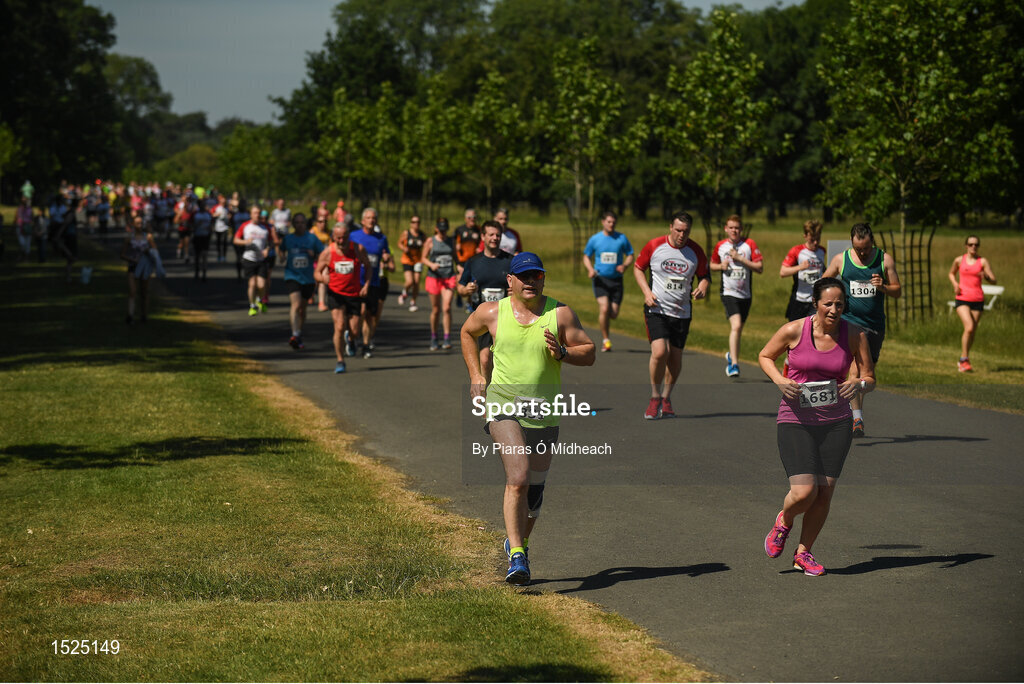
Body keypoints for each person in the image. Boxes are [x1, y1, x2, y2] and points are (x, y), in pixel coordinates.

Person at [460, 252, 595, 585]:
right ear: (510, 281)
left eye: (536, 275)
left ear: (544, 279)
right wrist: (476, 375)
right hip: (503, 405)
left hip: (543, 412)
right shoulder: (492, 312)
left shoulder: (560, 314)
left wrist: (563, 353)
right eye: (524, 276)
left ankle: (517, 540)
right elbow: (466, 333)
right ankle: (518, 557)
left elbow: (589, 351)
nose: (531, 281)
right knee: (517, 478)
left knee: (533, 493)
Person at [758, 277, 875, 576]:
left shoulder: (855, 335)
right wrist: (780, 380)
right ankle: (784, 521)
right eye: (828, 304)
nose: (834, 310)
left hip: (836, 422)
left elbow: (869, 377)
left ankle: (803, 553)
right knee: (804, 492)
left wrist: (857, 383)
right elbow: (765, 356)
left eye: (839, 304)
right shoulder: (794, 330)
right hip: (796, 420)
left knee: (824, 493)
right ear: (815, 304)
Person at [822, 223, 901, 437]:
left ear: (872, 242)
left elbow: (898, 291)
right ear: (852, 243)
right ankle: (855, 418)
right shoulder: (841, 259)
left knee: (866, 374)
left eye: (866, 248)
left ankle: (851, 410)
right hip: (850, 321)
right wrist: (833, 296)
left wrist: (883, 287)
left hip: (874, 325)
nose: (862, 252)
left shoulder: (885, 260)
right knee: (854, 370)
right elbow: (824, 282)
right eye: (858, 248)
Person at [633, 211, 710, 420]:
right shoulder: (655, 246)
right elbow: (638, 268)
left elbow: (705, 276)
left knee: (675, 359)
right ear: (670, 227)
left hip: (682, 312)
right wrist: (646, 293)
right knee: (660, 352)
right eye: (678, 230)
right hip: (657, 308)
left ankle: (666, 398)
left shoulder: (696, 251)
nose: (682, 235)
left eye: (686, 231)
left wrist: (702, 288)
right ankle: (654, 396)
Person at [458, 220, 512, 380]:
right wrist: (466, 290)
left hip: (506, 317)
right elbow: (460, 288)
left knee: (506, 361)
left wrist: (514, 293)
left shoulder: (509, 261)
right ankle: (485, 396)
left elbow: (522, 287)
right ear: (483, 237)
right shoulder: (474, 262)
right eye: (491, 235)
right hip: (482, 318)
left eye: (498, 235)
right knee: (485, 358)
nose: (495, 238)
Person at [710, 214, 763, 377]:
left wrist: (740, 258)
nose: (734, 231)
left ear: (741, 229)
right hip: (728, 292)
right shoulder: (720, 246)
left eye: (737, 228)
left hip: (745, 294)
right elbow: (711, 265)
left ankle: (730, 355)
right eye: (731, 228)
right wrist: (721, 266)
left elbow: (760, 267)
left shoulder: (749, 244)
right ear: (726, 229)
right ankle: (734, 364)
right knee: (737, 325)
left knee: (738, 329)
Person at [316, 221, 371, 373]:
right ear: (333, 236)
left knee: (354, 330)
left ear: (349, 236)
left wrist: (366, 285)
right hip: (336, 293)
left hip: (354, 294)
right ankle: (340, 360)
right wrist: (323, 279)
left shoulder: (358, 249)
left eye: (344, 237)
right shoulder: (328, 253)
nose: (341, 241)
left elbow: (368, 266)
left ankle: (351, 339)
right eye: (338, 238)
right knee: (339, 326)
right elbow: (316, 273)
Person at [582, 210, 634, 352]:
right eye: (609, 222)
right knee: (604, 308)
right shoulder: (595, 239)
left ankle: (607, 334)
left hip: (616, 281)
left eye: (614, 222)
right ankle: (606, 340)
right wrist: (590, 269)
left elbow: (630, 255)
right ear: (603, 222)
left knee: (613, 314)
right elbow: (586, 256)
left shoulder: (621, 238)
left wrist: (624, 265)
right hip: (600, 279)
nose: (611, 224)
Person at [348, 207, 394, 357]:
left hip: (373, 281)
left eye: (374, 218)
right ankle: (352, 337)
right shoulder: (353, 236)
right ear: (362, 221)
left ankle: (366, 344)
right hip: (356, 281)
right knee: (358, 313)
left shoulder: (382, 238)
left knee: (369, 315)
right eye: (368, 218)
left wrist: (387, 259)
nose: (372, 220)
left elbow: (386, 255)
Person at [948, 235, 997, 372]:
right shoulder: (959, 260)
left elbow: (994, 280)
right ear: (966, 246)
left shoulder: (982, 262)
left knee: (972, 331)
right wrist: (955, 284)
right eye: (970, 244)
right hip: (962, 298)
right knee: (969, 327)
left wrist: (985, 276)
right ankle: (964, 359)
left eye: (976, 244)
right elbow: (951, 273)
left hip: (977, 300)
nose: (973, 247)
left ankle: (964, 359)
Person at [282, 213, 324, 350]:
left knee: (303, 310)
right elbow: (281, 250)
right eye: (297, 222)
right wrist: (280, 255)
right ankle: (294, 334)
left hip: (308, 278)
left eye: (302, 222)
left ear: (306, 224)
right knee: (296, 304)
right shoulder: (288, 239)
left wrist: (315, 255)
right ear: (293, 224)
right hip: (292, 276)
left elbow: (323, 254)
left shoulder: (312, 238)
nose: (300, 225)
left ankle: (298, 333)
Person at [422, 218, 459, 350]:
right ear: (437, 228)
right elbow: (423, 258)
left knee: (447, 307)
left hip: (449, 276)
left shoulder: (451, 241)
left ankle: (447, 337)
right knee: (436, 309)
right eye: (441, 229)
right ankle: (434, 336)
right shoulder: (430, 241)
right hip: (434, 278)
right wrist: (431, 264)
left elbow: (455, 257)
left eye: (445, 230)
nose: (443, 232)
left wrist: (459, 266)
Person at [780, 220, 826, 321]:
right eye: (812, 240)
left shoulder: (822, 251)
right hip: (799, 298)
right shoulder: (797, 251)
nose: (815, 243)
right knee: (796, 331)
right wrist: (800, 267)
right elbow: (783, 272)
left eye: (818, 239)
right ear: (805, 236)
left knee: (813, 329)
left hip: (815, 300)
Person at [120, 214, 158, 324]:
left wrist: (149, 252)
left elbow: (155, 249)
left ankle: (144, 315)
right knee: (132, 291)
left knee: (144, 292)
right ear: (133, 224)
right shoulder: (129, 238)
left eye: (141, 223)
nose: (140, 225)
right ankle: (130, 315)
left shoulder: (148, 237)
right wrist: (132, 259)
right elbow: (122, 254)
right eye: (137, 223)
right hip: (133, 266)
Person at [234, 205, 270, 316]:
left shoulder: (265, 228)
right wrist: (245, 242)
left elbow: (271, 242)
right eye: (255, 213)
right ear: (251, 214)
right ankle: (252, 305)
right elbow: (235, 240)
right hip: (249, 258)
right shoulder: (245, 226)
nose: (257, 215)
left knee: (262, 285)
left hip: (261, 259)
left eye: (259, 213)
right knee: (252, 283)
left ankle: (259, 300)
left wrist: (267, 249)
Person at [397, 215, 426, 311]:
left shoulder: (422, 235)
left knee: (416, 282)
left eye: (418, 222)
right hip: (407, 260)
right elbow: (399, 243)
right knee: (410, 281)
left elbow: (427, 245)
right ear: (411, 223)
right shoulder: (406, 233)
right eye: (414, 222)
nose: (416, 224)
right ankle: (404, 292)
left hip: (418, 260)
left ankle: (413, 302)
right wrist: (403, 248)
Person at [455, 208, 481, 311]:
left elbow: (481, 243)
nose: (472, 219)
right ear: (466, 218)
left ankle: (469, 303)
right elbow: (455, 247)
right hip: (462, 261)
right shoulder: (460, 230)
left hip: (473, 261)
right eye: (470, 217)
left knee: (472, 281)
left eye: (474, 217)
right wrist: (457, 263)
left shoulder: (479, 230)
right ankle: (459, 294)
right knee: (460, 279)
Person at [310, 214, 333, 311]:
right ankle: (310, 294)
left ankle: (321, 303)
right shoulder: (313, 231)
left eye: (324, 221)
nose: (323, 224)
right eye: (320, 221)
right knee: (313, 282)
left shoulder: (329, 232)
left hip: (325, 261)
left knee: (323, 280)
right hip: (314, 260)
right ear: (316, 223)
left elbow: (331, 245)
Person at [191, 201, 213, 281]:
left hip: (205, 237)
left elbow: (211, 225)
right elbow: (192, 225)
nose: (203, 207)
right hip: (197, 236)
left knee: (204, 255)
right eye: (202, 205)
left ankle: (204, 273)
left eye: (204, 205)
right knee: (197, 256)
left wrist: (210, 233)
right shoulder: (195, 215)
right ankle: (197, 272)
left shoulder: (208, 215)